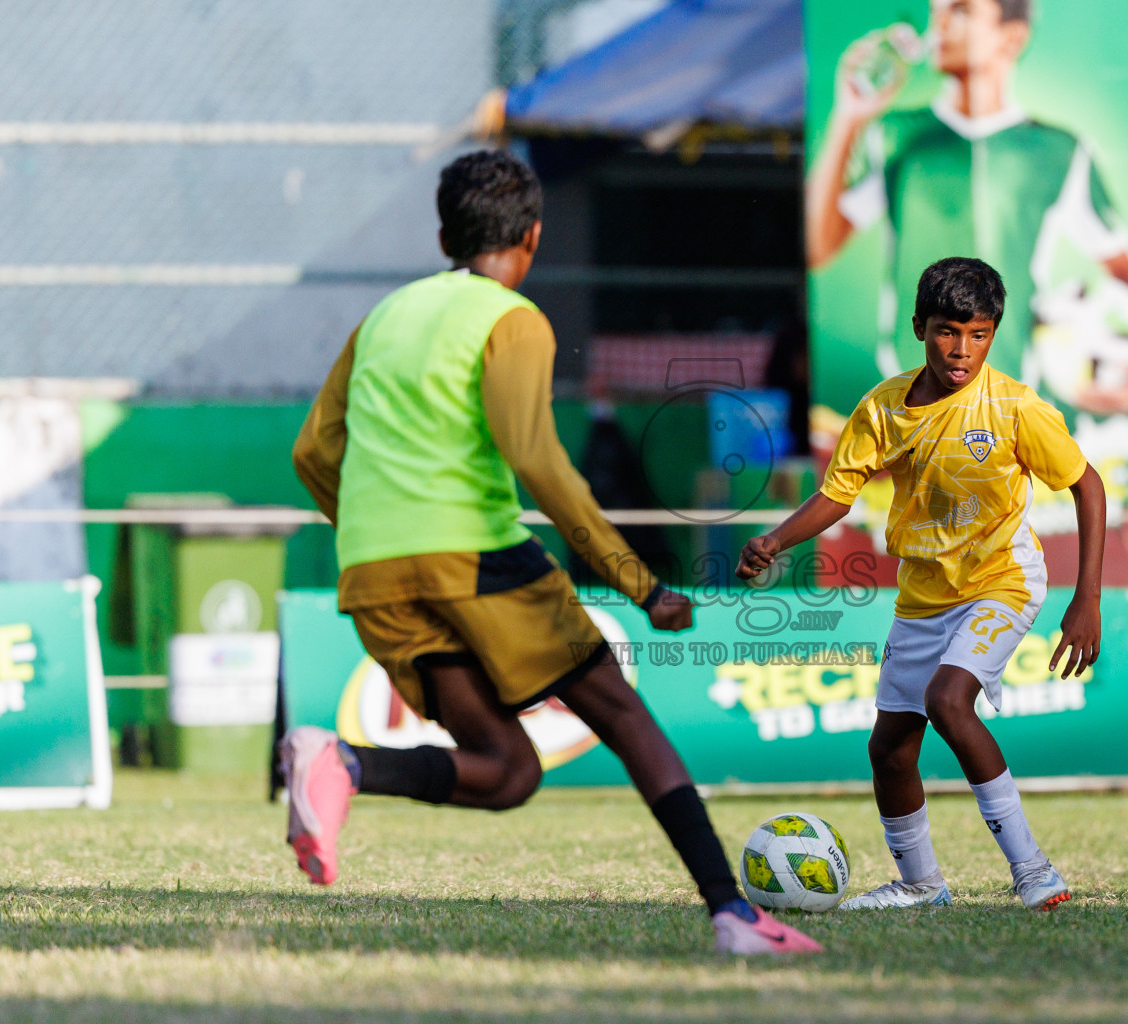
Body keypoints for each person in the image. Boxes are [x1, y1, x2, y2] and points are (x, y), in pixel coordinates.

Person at [286, 149, 820, 956]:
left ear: (443, 236)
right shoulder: (515, 320)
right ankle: (733, 913)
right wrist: (642, 587)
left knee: (507, 770)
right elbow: (536, 458)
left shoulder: (384, 318)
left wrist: (377, 535)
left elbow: (313, 455)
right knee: (623, 713)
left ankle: (343, 762)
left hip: (372, 573)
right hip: (473, 553)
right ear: (532, 237)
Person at [736, 257, 1105, 911]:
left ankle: (1035, 873)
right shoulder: (883, 409)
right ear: (919, 327)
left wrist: (1088, 598)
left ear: (993, 334)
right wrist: (775, 541)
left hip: (1003, 581)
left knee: (949, 700)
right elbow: (836, 495)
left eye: (978, 333)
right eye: (946, 331)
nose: (962, 350)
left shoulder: (1016, 408)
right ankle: (920, 884)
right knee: (890, 749)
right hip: (924, 595)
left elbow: (1087, 483)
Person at [806, 0, 1128, 421]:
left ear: (1011, 37)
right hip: (911, 400)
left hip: (1013, 403)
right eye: (935, 10)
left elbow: (1124, 269)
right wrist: (848, 118)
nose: (939, 24)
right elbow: (817, 247)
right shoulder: (895, 135)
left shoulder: (1059, 150)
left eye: (959, 11)